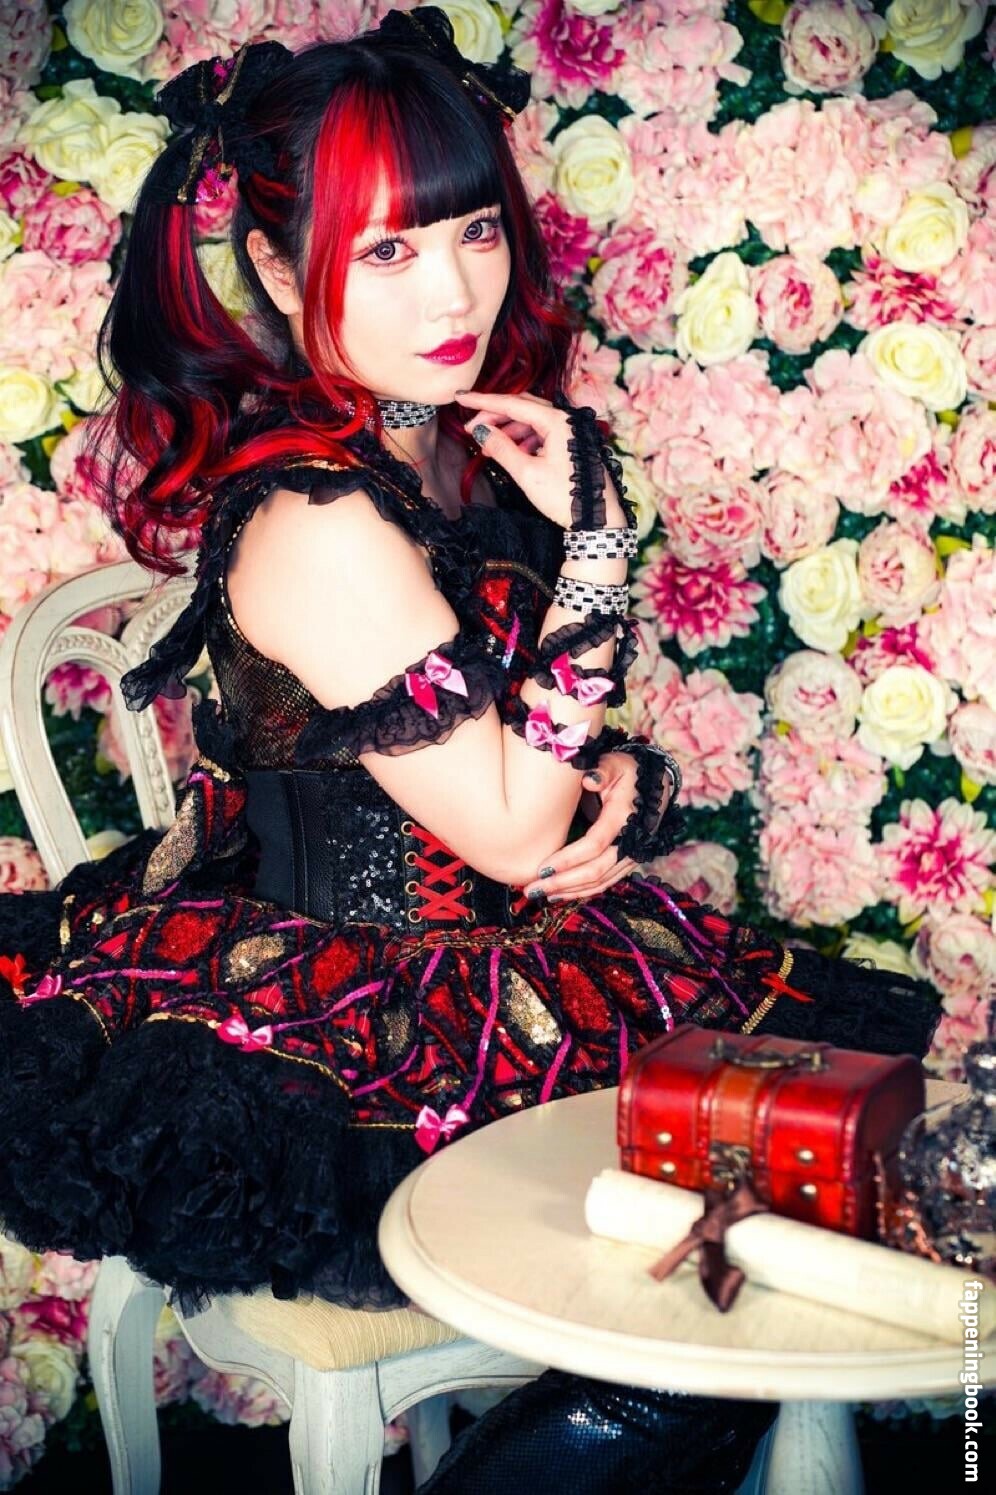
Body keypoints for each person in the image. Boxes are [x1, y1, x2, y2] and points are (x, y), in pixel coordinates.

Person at [0, 11, 940, 1492]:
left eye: (474, 233)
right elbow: (505, 824)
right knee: (715, 1291)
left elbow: (535, 752)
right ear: (274, 269)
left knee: (796, 1203)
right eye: (386, 251)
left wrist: (616, 788)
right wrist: (597, 545)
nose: (452, 294)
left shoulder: (443, 445)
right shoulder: (317, 520)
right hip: (353, 1034)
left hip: (542, 966)